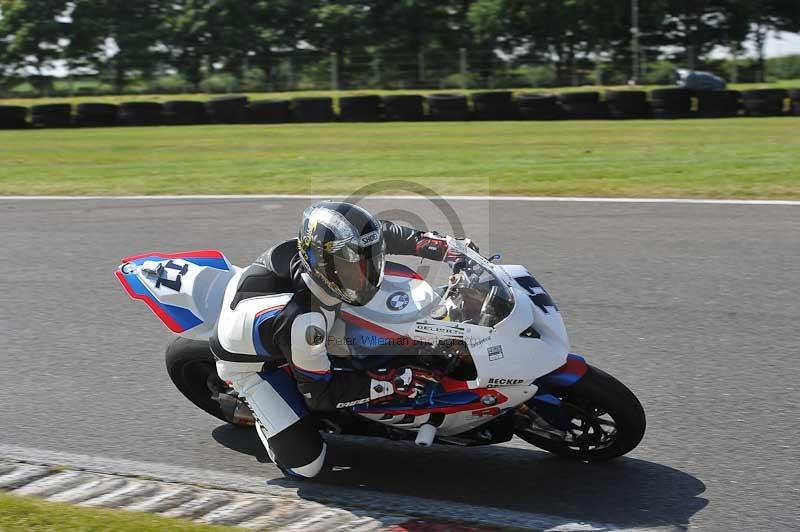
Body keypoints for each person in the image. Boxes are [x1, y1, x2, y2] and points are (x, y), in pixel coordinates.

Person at [211, 200, 472, 478]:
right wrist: (390, 383)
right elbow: (319, 394)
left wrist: (439, 246)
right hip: (253, 365)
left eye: (370, 262)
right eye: (353, 269)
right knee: (306, 466)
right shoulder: (305, 321)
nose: (366, 276)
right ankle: (254, 408)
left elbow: (381, 233)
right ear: (324, 267)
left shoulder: (333, 254)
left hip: (292, 315)